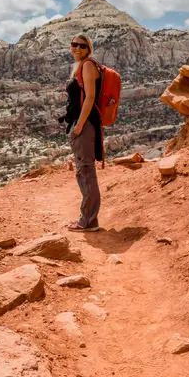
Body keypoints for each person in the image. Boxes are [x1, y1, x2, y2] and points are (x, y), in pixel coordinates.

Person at [60, 33, 103, 232]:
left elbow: (90, 97)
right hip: (81, 124)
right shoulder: (80, 66)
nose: (77, 48)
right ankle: (87, 218)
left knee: (86, 171)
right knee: (83, 171)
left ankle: (88, 220)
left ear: (89, 48)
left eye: (82, 46)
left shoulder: (87, 65)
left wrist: (78, 127)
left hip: (84, 126)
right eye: (74, 44)